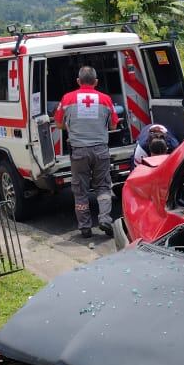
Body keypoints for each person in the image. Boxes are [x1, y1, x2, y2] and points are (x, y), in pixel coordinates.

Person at [54, 65, 119, 238]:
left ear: (78, 81)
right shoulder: (105, 99)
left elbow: (58, 124)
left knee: (80, 189)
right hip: (100, 150)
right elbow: (113, 125)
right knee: (103, 187)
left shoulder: (67, 99)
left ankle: (85, 227)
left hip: (79, 152)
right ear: (96, 82)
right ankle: (105, 218)